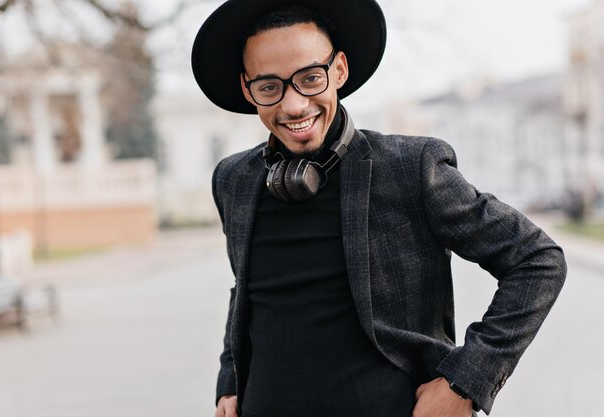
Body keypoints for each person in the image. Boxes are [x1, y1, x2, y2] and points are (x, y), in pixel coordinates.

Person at [191, 1, 567, 416]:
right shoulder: (233, 180)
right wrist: (230, 380)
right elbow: (244, 288)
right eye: (269, 87)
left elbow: (536, 259)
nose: (294, 105)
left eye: (310, 78)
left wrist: (466, 381)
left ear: (339, 71)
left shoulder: (410, 168)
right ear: (248, 90)